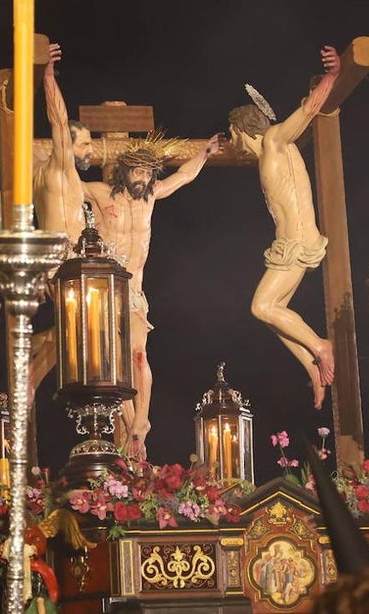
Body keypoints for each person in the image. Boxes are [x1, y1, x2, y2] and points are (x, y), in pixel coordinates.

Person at [84, 132, 224, 457]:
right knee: (109, 367)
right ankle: (134, 427)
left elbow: (184, 176)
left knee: (137, 356)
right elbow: (67, 185)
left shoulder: (150, 197)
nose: (143, 178)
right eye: (138, 172)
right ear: (125, 172)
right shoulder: (102, 194)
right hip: (104, 292)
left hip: (133, 291)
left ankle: (141, 421)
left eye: (148, 173)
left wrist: (205, 151)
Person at [226, 46, 340, 410]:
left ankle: (321, 347)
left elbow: (308, 110)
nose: (233, 142)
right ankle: (312, 367)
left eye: (232, 134)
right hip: (288, 244)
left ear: (243, 128)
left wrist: (332, 76)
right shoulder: (267, 155)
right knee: (278, 317)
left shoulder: (275, 140)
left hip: (296, 243)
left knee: (261, 307)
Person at [29, 42, 95, 392]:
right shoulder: (59, 167)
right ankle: (33, 373)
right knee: (80, 330)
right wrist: (48, 77)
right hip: (67, 259)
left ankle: (39, 352)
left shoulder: (36, 173)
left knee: (78, 328)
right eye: (84, 143)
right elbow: (58, 117)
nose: (90, 150)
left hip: (59, 258)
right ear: (65, 146)